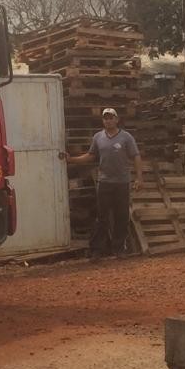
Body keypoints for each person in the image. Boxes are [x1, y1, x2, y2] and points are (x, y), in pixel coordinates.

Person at [61, 107, 143, 259]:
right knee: (102, 217)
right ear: (103, 121)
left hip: (122, 183)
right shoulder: (98, 137)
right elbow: (90, 155)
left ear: (117, 120)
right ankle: (97, 250)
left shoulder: (126, 137)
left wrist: (139, 178)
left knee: (121, 216)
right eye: (106, 118)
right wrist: (71, 159)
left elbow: (136, 156)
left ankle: (119, 249)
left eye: (111, 117)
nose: (108, 120)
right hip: (104, 182)